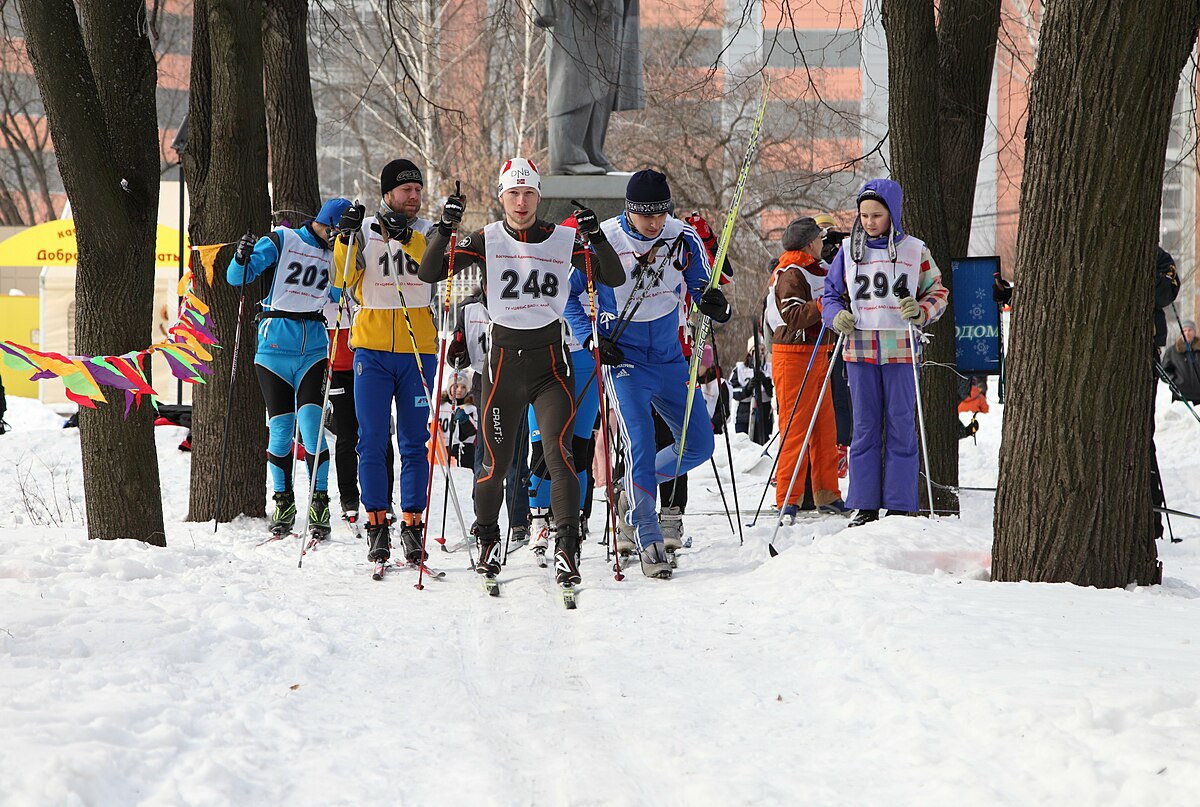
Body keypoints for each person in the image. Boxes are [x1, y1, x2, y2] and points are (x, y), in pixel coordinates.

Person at [420, 157, 625, 588]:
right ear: (502, 198)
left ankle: (567, 547)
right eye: (513, 193)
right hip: (503, 367)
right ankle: (489, 541)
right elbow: (430, 271)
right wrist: (444, 227)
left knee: (560, 452)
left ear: (538, 196)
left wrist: (594, 235)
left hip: (552, 363)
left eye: (528, 192)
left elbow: (613, 274)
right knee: (494, 465)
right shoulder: (487, 238)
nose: (521, 201)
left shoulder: (562, 238)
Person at [565, 169, 729, 578]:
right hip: (625, 358)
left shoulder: (682, 235)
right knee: (639, 441)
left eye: (660, 214)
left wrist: (715, 305)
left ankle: (632, 490)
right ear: (629, 210)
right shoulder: (602, 239)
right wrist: (590, 340)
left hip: (670, 357)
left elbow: (705, 288)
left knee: (698, 446)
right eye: (645, 216)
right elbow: (568, 296)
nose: (653, 224)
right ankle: (647, 533)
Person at [822, 180, 948, 527]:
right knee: (864, 426)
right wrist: (836, 316)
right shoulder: (848, 251)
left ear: (893, 213)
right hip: (860, 348)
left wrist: (922, 311)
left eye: (877, 215)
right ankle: (863, 503)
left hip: (901, 348)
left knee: (901, 425)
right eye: (863, 215)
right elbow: (830, 294)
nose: (869, 222)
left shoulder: (914, 250)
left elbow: (938, 291)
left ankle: (900, 502)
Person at [226, 197, 352, 539]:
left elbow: (339, 294)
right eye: (335, 232)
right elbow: (237, 277)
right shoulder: (284, 239)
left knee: (313, 428)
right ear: (324, 222)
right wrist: (241, 256)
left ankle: (320, 500)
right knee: (281, 429)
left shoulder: (336, 254)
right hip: (274, 349)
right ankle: (283, 500)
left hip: (312, 348)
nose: (337, 238)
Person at [333, 159, 438, 566]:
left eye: (418, 190)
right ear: (388, 193)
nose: (413, 197)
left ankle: (413, 526)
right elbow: (340, 281)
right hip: (372, 353)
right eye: (405, 190)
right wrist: (345, 237)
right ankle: (377, 525)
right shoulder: (363, 231)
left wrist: (407, 237)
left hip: (417, 352)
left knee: (415, 442)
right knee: (372, 440)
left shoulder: (429, 230)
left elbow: (435, 270)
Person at [767, 216, 848, 522]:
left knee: (825, 428)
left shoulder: (820, 269)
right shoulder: (791, 271)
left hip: (819, 353)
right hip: (793, 354)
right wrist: (823, 303)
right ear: (809, 243)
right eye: (819, 239)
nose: (823, 243)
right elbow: (793, 316)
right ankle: (788, 497)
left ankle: (827, 493)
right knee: (795, 428)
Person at [321, 294, 395, 527]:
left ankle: (385, 498)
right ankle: (349, 497)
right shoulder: (328, 268)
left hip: (372, 363)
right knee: (346, 435)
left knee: (378, 433)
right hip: (339, 365)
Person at [728, 336, 773, 444]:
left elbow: (776, 393)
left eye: (762, 350)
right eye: (757, 351)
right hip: (744, 416)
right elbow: (732, 391)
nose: (760, 354)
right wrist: (747, 389)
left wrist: (766, 383)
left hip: (764, 415)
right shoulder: (740, 369)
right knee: (744, 447)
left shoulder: (770, 368)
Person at [438, 370, 479, 468]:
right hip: (443, 449)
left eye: (463, 387)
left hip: (464, 451)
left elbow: (473, 431)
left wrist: (465, 420)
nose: (459, 390)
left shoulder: (471, 408)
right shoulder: (441, 406)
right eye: (456, 386)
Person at [1162, 320, 1200, 403]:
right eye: (1184, 330)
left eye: (1190, 330)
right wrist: (1175, 381)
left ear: (1194, 332)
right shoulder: (1172, 351)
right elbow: (1164, 371)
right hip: (1180, 398)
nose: (1187, 333)